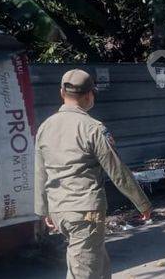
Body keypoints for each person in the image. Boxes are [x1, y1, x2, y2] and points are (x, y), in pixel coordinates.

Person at [34, 69, 152, 279]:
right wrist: (142, 203)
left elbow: (40, 172)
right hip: (84, 210)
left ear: (62, 92)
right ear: (89, 95)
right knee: (84, 272)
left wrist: (43, 210)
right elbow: (117, 171)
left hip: (59, 210)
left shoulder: (45, 127)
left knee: (97, 263)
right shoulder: (93, 128)